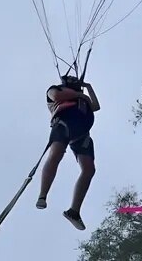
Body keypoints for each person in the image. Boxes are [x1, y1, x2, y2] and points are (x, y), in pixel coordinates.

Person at [37, 75, 99, 230]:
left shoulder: (82, 98)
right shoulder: (54, 90)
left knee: (89, 169)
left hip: (82, 133)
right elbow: (57, 96)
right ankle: (43, 195)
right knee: (56, 153)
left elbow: (96, 106)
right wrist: (79, 94)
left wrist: (88, 87)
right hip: (64, 124)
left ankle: (74, 211)